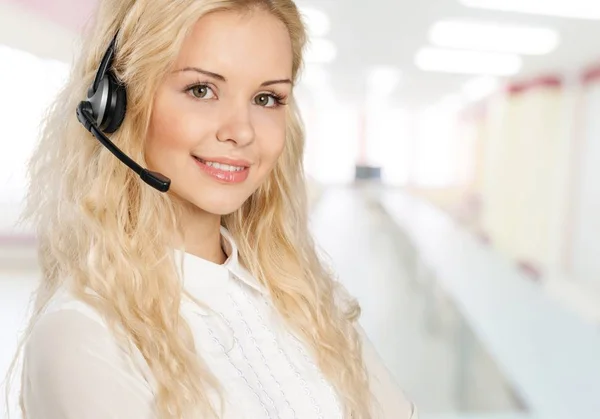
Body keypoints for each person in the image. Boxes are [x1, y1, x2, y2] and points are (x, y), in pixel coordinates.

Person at [9, 0, 417, 418]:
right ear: (114, 104)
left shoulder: (305, 298)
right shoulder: (83, 334)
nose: (241, 131)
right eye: (201, 90)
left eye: (267, 98)